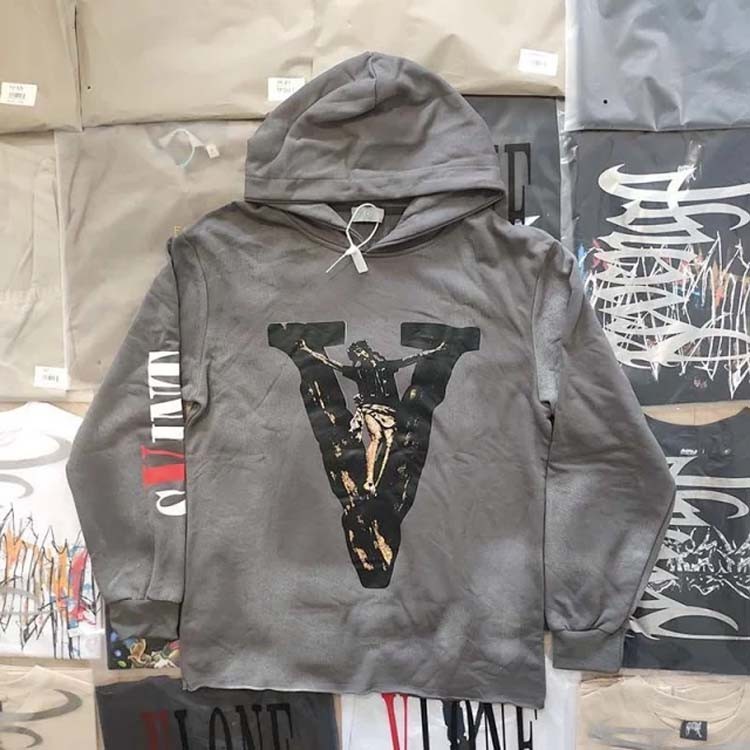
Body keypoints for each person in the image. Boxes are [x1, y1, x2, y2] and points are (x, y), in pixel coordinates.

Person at [298, 338, 446, 494]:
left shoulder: (386, 366)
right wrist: (308, 350)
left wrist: (435, 350)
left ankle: (377, 481)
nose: (360, 355)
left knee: (390, 443)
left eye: (360, 351)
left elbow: (411, 359)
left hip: (390, 412)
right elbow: (331, 363)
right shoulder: (358, 372)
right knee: (376, 437)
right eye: (356, 353)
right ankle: (369, 480)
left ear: (367, 350)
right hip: (370, 409)